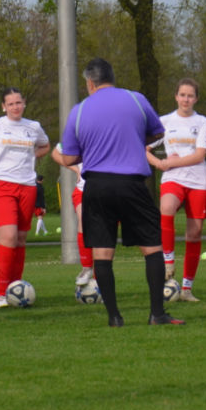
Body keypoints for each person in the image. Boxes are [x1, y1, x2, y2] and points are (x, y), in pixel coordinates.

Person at [60, 58, 183, 327]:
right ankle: (157, 314)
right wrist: (130, 139)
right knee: (152, 249)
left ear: (90, 83)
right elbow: (156, 133)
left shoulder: (78, 110)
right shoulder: (136, 99)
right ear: (113, 78)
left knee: (102, 253)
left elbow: (68, 158)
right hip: (132, 184)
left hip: (97, 186)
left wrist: (93, 149)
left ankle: (114, 317)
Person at [0, 88, 51, 308]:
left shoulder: (33, 127)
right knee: (8, 237)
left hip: (27, 186)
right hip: (0, 185)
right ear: (3, 106)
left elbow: (45, 145)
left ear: (24, 103)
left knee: (21, 240)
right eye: (11, 103)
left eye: (19, 102)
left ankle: (15, 290)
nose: (15, 107)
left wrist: (29, 156)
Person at [145, 79, 206, 301]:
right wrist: (158, 163)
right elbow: (142, 146)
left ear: (196, 98)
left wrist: (170, 163)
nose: (186, 99)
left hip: (198, 180)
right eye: (182, 95)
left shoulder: (202, 122)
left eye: (190, 96)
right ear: (176, 96)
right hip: (173, 178)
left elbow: (199, 155)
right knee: (166, 207)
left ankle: (187, 289)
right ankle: (168, 261)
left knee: (194, 234)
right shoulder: (163, 121)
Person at [52, 143, 94, 284]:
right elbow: (56, 153)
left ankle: (100, 274)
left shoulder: (111, 129)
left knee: (104, 231)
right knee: (85, 222)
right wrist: (76, 170)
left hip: (109, 189)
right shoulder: (78, 131)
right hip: (83, 189)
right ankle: (87, 268)